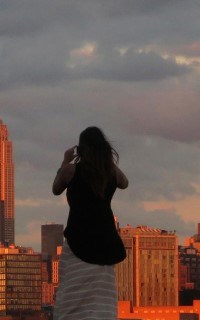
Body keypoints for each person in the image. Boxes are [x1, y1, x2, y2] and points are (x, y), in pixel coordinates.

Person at [52, 126, 128, 320]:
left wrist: (65, 160)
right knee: (101, 296)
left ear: (81, 149)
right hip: (105, 240)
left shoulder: (72, 170)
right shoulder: (110, 172)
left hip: (79, 238)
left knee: (72, 289)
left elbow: (56, 188)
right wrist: (106, 162)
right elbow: (124, 182)